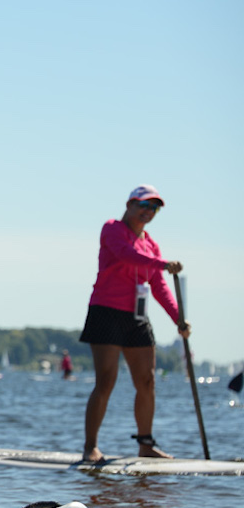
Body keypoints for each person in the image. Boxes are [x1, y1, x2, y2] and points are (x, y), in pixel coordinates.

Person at [80, 185, 189, 463]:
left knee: (148, 381)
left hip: (136, 318)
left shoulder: (151, 244)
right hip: (106, 311)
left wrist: (178, 318)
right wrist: (163, 263)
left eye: (154, 208)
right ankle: (90, 447)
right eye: (143, 205)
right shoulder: (112, 229)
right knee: (106, 381)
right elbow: (127, 255)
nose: (148, 212)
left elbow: (159, 286)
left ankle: (146, 444)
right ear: (129, 205)